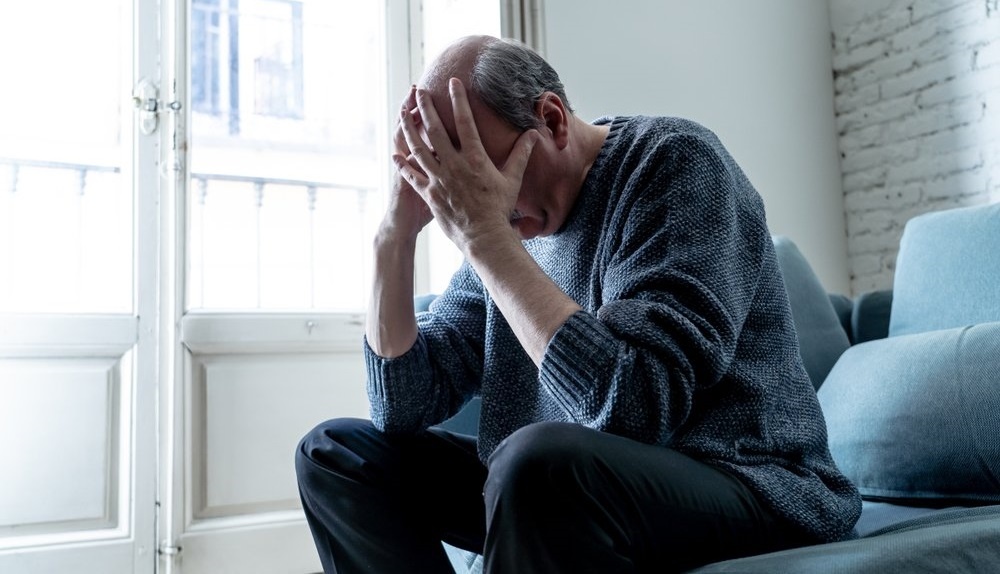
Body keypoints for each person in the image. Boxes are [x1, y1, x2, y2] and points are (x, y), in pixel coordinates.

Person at [296, 35, 861, 573]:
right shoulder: (500, 223)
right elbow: (402, 406)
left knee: (537, 463)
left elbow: (635, 407)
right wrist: (393, 236)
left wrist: (486, 236)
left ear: (552, 120)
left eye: (492, 176)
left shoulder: (675, 164)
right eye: (467, 186)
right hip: (555, 482)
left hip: (749, 482)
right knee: (336, 454)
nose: (489, 200)